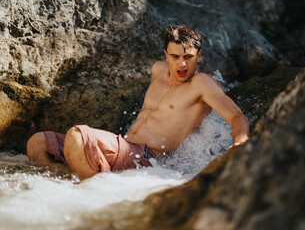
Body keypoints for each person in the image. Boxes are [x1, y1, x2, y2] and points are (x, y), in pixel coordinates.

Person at [27, 24, 250, 179]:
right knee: (37, 143)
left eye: (188, 57)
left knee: (76, 136)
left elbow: (236, 116)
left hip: (146, 157)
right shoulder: (158, 70)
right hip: (124, 147)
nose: (182, 64)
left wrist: (240, 143)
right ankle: (78, 182)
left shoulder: (201, 84)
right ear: (165, 55)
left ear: (199, 56)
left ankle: (92, 192)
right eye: (175, 57)